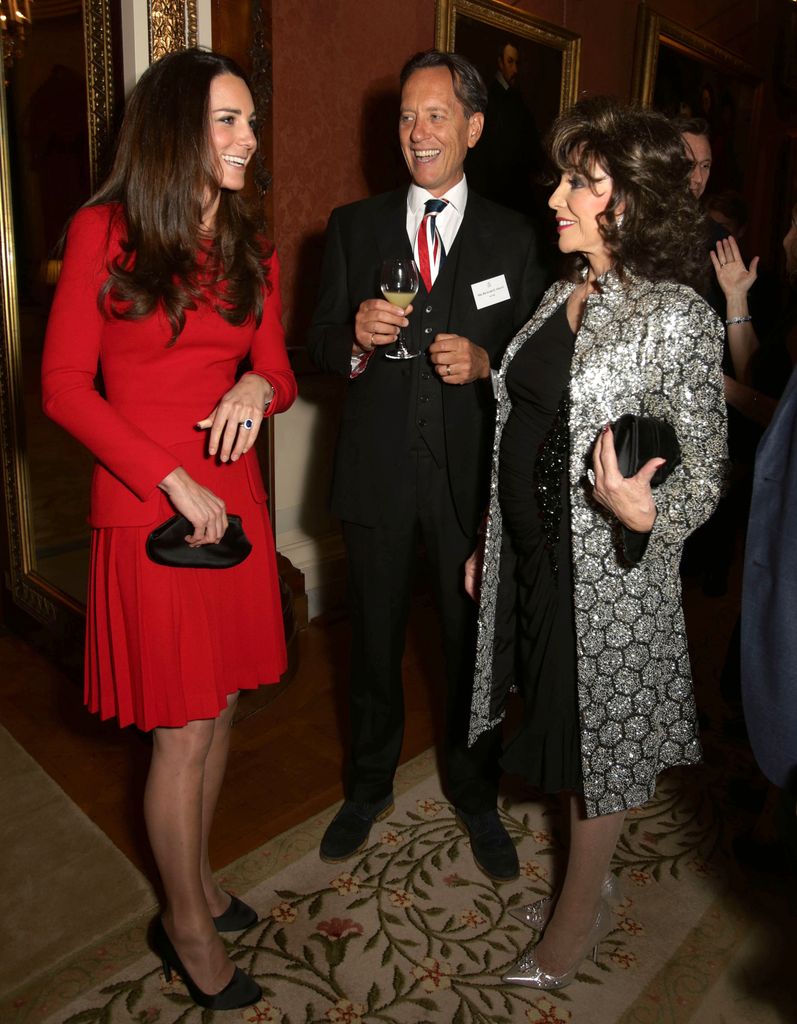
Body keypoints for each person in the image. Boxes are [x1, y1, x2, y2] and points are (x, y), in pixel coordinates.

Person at [41, 49, 297, 1010]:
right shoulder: (104, 230)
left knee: (223, 706)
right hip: (148, 510)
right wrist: (169, 474)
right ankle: (184, 923)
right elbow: (63, 387)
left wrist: (254, 383)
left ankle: (198, 879)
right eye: (228, 121)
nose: (248, 139)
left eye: (249, 121)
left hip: (233, 512)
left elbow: (280, 371)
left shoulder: (249, 246)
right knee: (180, 734)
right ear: (177, 129)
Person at [466, 96, 727, 989]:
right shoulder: (556, 293)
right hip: (537, 561)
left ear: (628, 199)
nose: (556, 200)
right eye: (564, 179)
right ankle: (590, 882)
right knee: (560, 732)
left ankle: (572, 925)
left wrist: (650, 513)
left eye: (581, 182)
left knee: (599, 749)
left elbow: (705, 468)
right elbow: (520, 422)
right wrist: (490, 544)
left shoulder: (678, 315)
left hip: (612, 581)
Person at [308, 49, 546, 881]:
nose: (417, 132)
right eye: (406, 115)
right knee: (370, 644)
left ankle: (475, 794)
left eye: (435, 114)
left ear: (473, 128)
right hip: (375, 476)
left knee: (467, 649)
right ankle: (367, 787)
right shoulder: (353, 226)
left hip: (468, 488)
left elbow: (538, 365)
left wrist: (488, 367)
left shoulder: (515, 237)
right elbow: (317, 342)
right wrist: (353, 342)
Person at [465, 41, 544, 218]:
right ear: (500, 63)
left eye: (517, 63)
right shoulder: (490, 98)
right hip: (494, 195)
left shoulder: (517, 98)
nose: (515, 69)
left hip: (514, 194)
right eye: (510, 62)